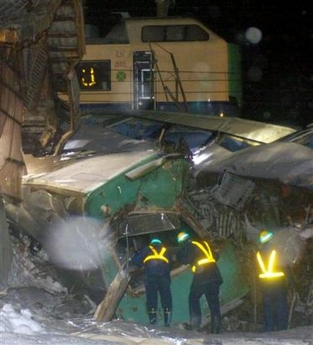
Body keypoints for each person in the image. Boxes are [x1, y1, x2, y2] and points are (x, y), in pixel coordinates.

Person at [176, 231, 223, 333]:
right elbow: (216, 256)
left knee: (193, 297)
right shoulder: (203, 244)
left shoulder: (190, 246)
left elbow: (185, 260)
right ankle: (216, 329)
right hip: (215, 275)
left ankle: (195, 324)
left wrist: (178, 255)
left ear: (182, 242)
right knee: (213, 303)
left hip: (202, 276)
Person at [256, 229, 293, 332]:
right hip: (278, 283)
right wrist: (291, 282)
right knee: (280, 307)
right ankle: (282, 329)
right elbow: (285, 266)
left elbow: (256, 271)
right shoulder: (276, 251)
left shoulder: (259, 254)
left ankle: (269, 329)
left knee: (268, 307)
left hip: (265, 285)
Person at [131, 238, 173, 326]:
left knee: (151, 298)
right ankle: (167, 322)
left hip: (150, 277)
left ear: (152, 244)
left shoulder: (147, 249)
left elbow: (135, 261)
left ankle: (153, 321)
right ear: (160, 244)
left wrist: (141, 262)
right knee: (166, 298)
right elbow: (171, 263)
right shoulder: (166, 250)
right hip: (164, 277)